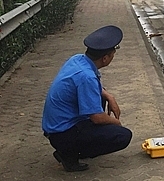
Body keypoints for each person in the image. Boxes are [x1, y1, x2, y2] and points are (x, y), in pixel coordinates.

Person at [42, 25, 132, 172]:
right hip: (63, 133)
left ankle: (73, 146)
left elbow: (93, 87)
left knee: (101, 96)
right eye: (112, 55)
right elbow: (97, 117)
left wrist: (109, 96)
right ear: (105, 58)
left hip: (58, 126)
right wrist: (115, 122)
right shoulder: (87, 77)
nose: (112, 58)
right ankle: (69, 155)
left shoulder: (78, 59)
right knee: (122, 136)